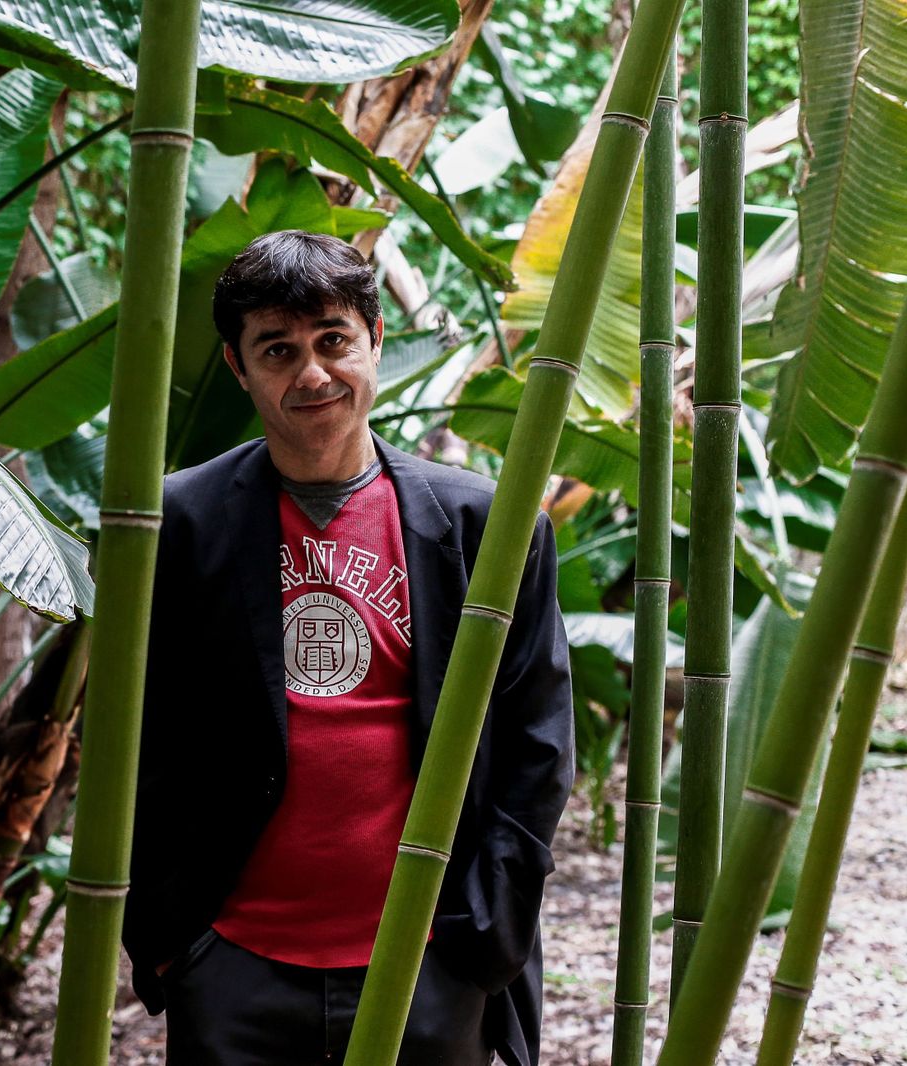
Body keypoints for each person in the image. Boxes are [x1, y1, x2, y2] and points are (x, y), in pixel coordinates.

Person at [120, 231, 574, 1066]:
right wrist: (169, 937)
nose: (312, 373)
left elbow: (536, 744)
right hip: (231, 958)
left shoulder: (486, 527)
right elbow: (141, 733)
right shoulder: (179, 522)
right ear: (238, 367)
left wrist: (487, 933)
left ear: (373, 339)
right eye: (278, 350)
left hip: (431, 956)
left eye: (333, 340)